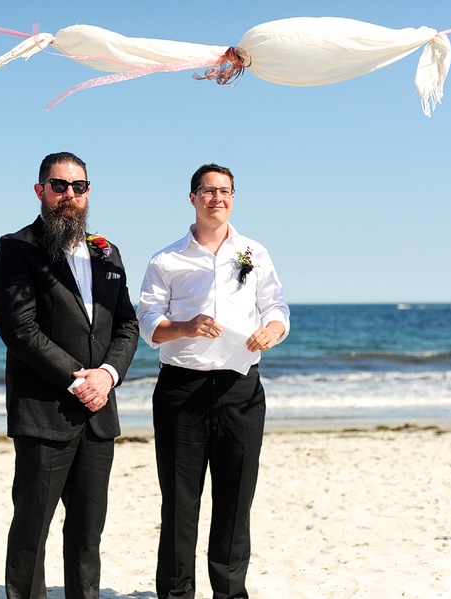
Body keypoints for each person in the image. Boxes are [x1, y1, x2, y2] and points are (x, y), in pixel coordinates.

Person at [0, 152, 140, 599]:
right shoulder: (16, 247)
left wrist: (107, 376)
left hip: (98, 415)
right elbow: (19, 329)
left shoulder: (107, 251)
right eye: (59, 186)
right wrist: (79, 379)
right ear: (40, 191)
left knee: (88, 534)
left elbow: (126, 324)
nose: (69, 195)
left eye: (79, 187)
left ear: (88, 193)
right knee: (32, 531)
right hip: (44, 412)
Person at [137, 163, 290, 599]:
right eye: (207, 191)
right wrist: (186, 326)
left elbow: (276, 307)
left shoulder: (255, 253)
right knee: (180, 504)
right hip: (181, 391)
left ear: (233, 197)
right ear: (193, 198)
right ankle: (177, 594)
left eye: (224, 191)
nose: (216, 198)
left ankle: (228, 592)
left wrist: (272, 331)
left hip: (240, 389)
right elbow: (148, 323)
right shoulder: (166, 259)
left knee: (235, 501)